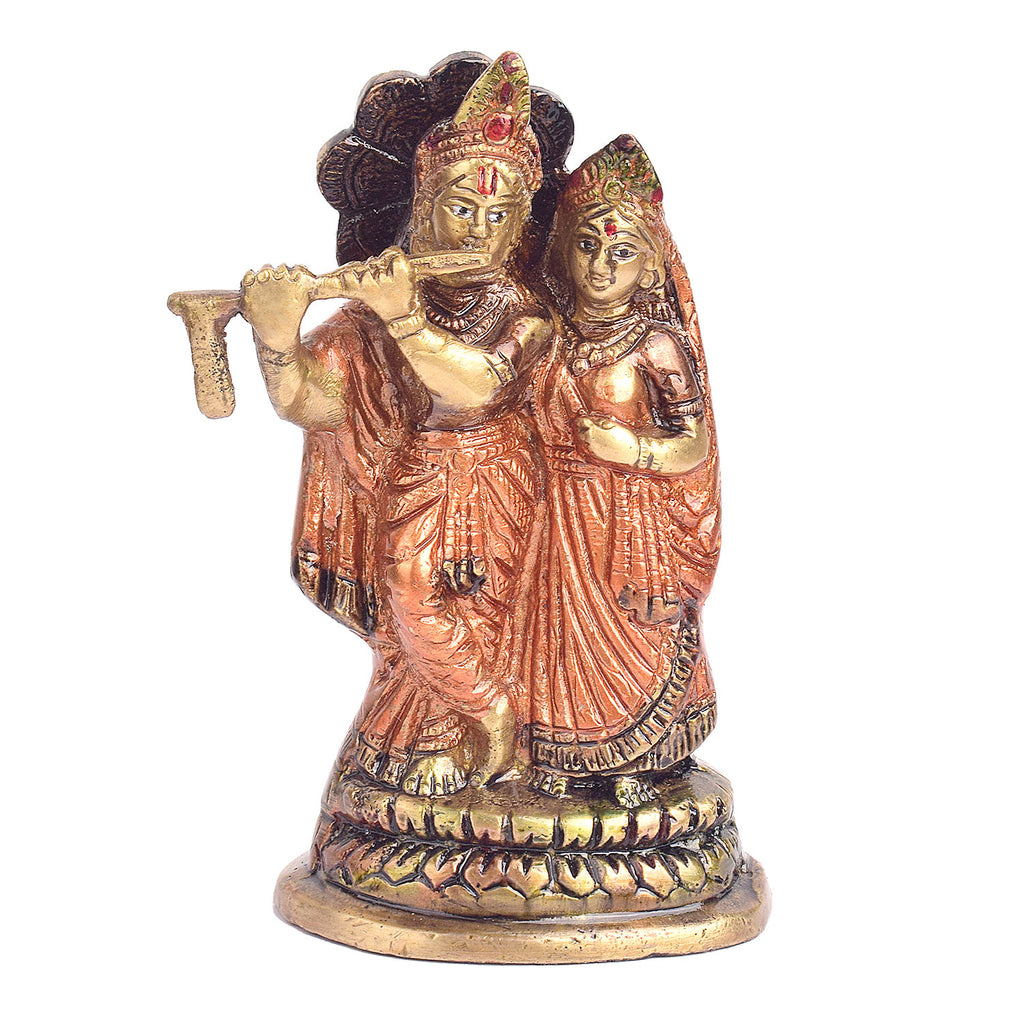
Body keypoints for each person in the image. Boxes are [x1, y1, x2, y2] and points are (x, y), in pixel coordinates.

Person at [239, 53, 553, 797]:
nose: (479, 230)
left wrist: (406, 317)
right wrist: (277, 337)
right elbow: (313, 404)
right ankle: (440, 728)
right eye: (462, 208)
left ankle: (490, 719)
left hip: (494, 476)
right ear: (422, 206)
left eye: (500, 216)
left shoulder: (526, 311)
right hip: (415, 477)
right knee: (407, 594)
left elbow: (477, 385)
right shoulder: (371, 315)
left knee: (466, 602)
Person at [511, 135, 722, 807]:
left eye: (622, 252)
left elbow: (693, 442)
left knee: (631, 631)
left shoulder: (656, 344)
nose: (601, 266)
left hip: (628, 518)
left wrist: (631, 449)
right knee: (556, 631)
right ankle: (558, 752)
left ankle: (636, 755)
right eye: (587, 246)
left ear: (651, 267)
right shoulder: (545, 331)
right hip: (554, 512)